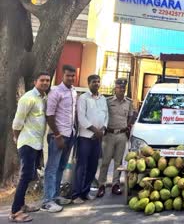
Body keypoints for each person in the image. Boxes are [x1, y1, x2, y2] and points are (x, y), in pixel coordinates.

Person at [9, 72, 51, 222]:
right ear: (35, 82)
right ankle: (15, 212)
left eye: (47, 80)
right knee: (25, 176)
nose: (45, 83)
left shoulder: (43, 97)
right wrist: (17, 138)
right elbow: (17, 123)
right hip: (27, 143)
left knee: (29, 177)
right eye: (42, 80)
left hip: (36, 144)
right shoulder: (28, 98)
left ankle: (22, 205)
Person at [42, 65, 78, 212]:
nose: (70, 78)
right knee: (51, 168)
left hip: (70, 135)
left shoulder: (74, 92)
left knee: (61, 167)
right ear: (63, 75)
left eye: (72, 76)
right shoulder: (56, 91)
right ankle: (47, 201)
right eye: (68, 75)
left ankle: (55, 196)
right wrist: (57, 135)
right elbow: (49, 115)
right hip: (58, 136)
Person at [72, 75, 108, 204]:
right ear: (88, 83)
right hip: (85, 137)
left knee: (93, 166)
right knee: (82, 166)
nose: (96, 84)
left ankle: (86, 192)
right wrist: (95, 130)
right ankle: (77, 194)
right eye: (94, 82)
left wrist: (103, 129)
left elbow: (106, 115)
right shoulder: (83, 98)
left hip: (97, 138)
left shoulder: (103, 99)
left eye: (98, 82)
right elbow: (81, 117)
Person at [97, 78, 134, 197]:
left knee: (119, 162)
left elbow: (130, 116)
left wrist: (126, 126)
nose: (121, 90)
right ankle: (101, 185)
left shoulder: (128, 102)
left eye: (123, 88)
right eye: (119, 87)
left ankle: (115, 184)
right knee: (105, 161)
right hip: (109, 135)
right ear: (115, 88)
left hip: (122, 135)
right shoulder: (108, 101)